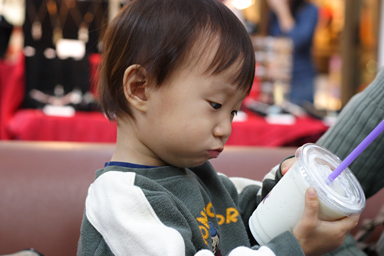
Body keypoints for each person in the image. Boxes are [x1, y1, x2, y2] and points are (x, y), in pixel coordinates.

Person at [77, 0, 358, 255]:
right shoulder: (122, 198)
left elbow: (246, 212)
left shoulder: (201, 176)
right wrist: (290, 250)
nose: (225, 128)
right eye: (215, 105)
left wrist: (285, 187)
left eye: (233, 111)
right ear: (140, 89)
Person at [267, 0, 318, 106]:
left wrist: (283, 12)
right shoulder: (273, 12)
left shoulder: (310, 10)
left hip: (301, 82)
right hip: (278, 81)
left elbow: (297, 41)